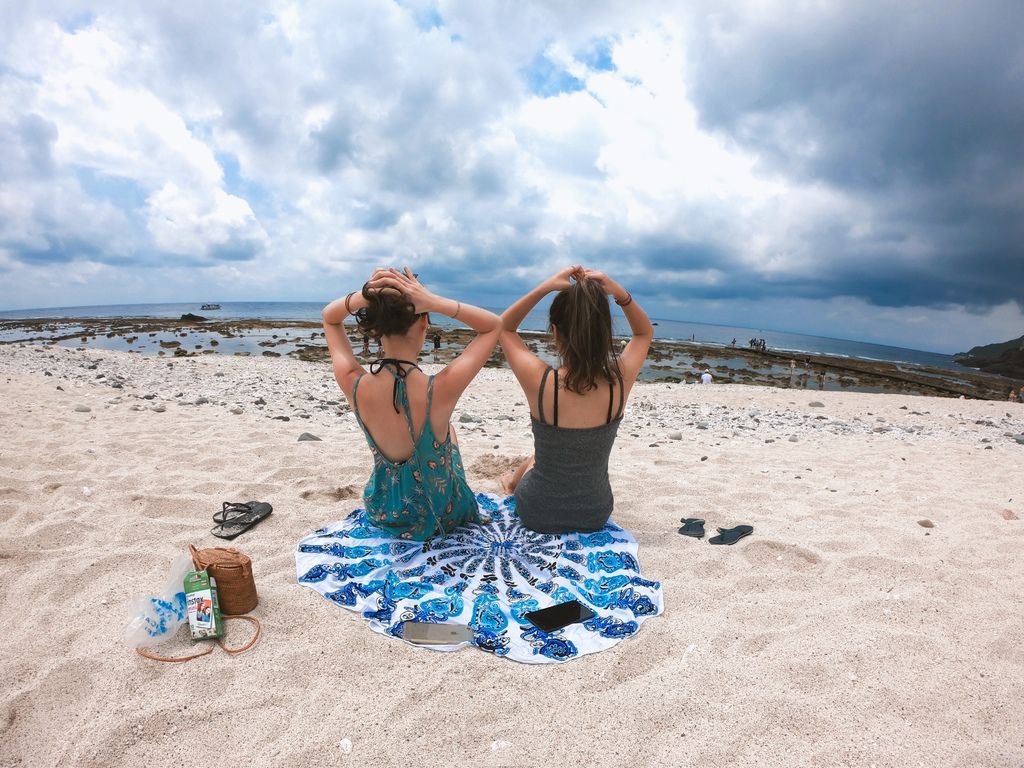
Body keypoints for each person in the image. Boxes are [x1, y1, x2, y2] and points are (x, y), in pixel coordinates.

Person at [321, 267, 500, 540]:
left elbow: (330, 319)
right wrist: (435, 301)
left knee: (442, 429)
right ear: (425, 322)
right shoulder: (439, 390)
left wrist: (365, 296)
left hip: (383, 510)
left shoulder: (353, 383)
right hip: (438, 514)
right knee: (446, 430)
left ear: (375, 328)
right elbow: (493, 326)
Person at [498, 266, 652, 534]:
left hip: (538, 513)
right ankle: (513, 482)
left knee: (541, 456)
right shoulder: (618, 382)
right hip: (594, 514)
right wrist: (617, 291)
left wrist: (545, 286)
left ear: (555, 332)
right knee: (547, 454)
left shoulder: (541, 381)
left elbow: (505, 329)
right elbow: (643, 333)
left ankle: (512, 484)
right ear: (605, 333)